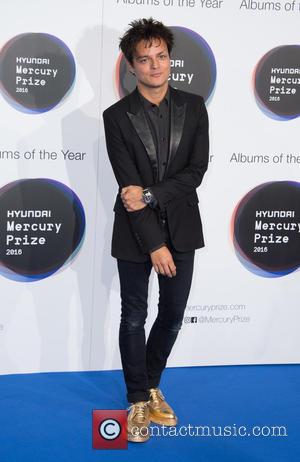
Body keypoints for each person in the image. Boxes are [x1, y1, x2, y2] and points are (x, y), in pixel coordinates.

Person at [103, 17, 209, 443]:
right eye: (144, 59)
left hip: (183, 226)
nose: (154, 66)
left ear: (170, 58)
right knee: (134, 316)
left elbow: (194, 173)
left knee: (172, 316)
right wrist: (154, 244)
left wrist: (149, 195)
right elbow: (126, 189)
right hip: (135, 233)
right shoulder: (116, 117)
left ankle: (151, 385)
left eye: (160, 56)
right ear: (131, 65)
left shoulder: (195, 106)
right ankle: (136, 400)